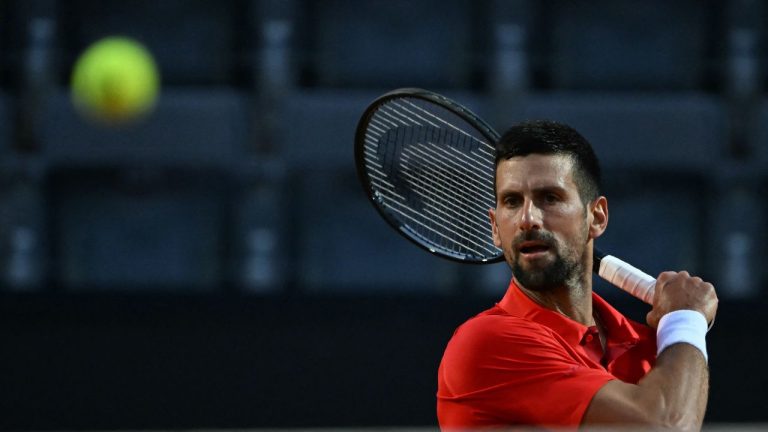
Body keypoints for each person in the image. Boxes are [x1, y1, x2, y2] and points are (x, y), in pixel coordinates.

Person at [436, 120, 718, 430]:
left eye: (550, 198)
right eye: (512, 201)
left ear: (596, 217)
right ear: (494, 227)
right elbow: (666, 425)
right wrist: (686, 320)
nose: (528, 218)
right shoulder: (486, 343)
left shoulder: (649, 346)